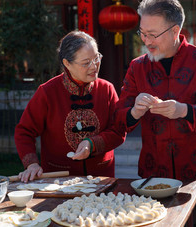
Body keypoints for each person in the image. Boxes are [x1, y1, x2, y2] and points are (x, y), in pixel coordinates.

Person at [115, 0, 196, 226]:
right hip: (154, 171)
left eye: (152, 34)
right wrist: (135, 111)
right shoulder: (138, 67)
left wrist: (183, 110)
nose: (146, 41)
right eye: (142, 33)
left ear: (175, 30)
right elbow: (119, 118)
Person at [15, 31, 126, 182]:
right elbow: (24, 131)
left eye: (96, 58)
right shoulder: (48, 92)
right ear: (67, 63)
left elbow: (119, 130)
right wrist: (32, 164)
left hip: (101, 178)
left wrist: (93, 144)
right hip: (58, 180)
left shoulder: (106, 89)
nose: (94, 66)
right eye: (86, 63)